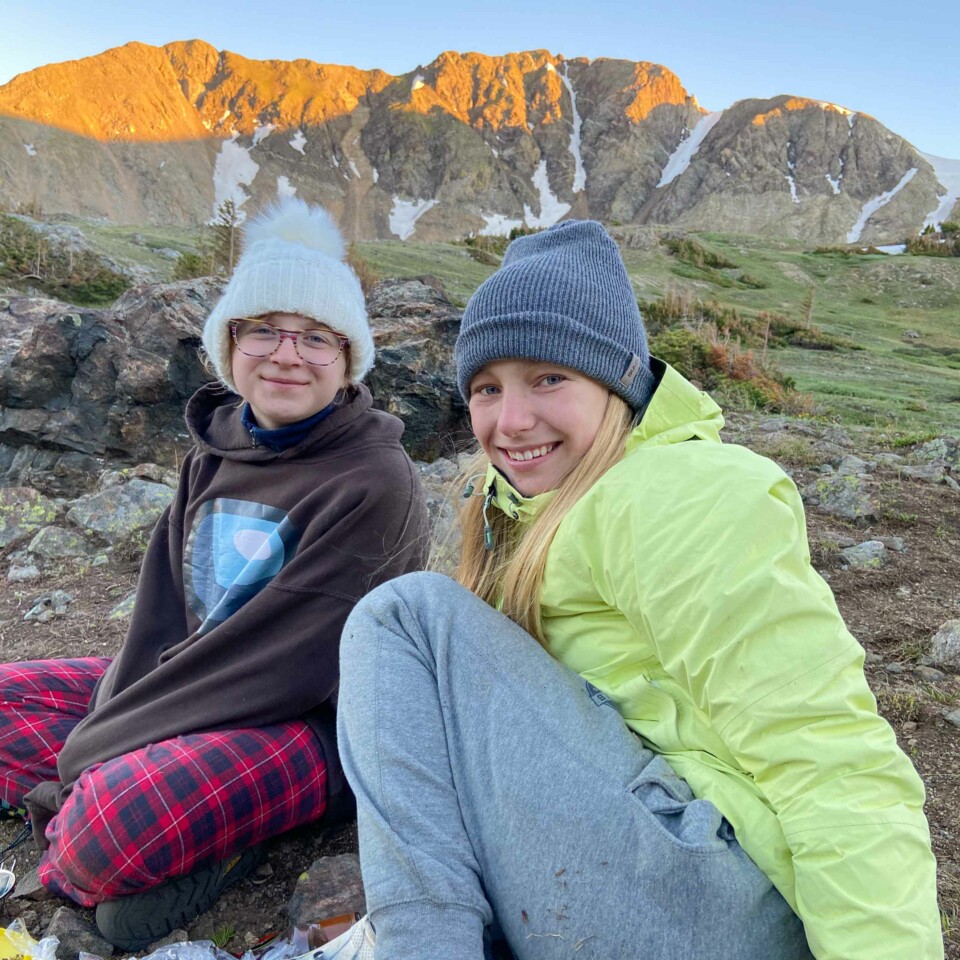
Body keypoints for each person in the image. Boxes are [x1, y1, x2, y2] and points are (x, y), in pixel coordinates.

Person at [335, 220, 943, 959]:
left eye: (549, 377)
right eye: (487, 388)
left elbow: (828, 755)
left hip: (718, 906)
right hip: (664, 881)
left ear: (616, 382)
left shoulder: (676, 494)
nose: (511, 419)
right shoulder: (517, 506)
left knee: (405, 616)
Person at [0, 197, 429, 950]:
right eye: (263, 329)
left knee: (107, 821)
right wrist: (117, 715)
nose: (286, 354)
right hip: (192, 680)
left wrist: (101, 750)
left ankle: (197, 842)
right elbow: (165, 612)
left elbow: (288, 664)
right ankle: (156, 827)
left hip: (307, 724)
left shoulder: (375, 481)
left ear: (348, 356)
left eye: (316, 337)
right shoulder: (216, 447)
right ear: (229, 343)